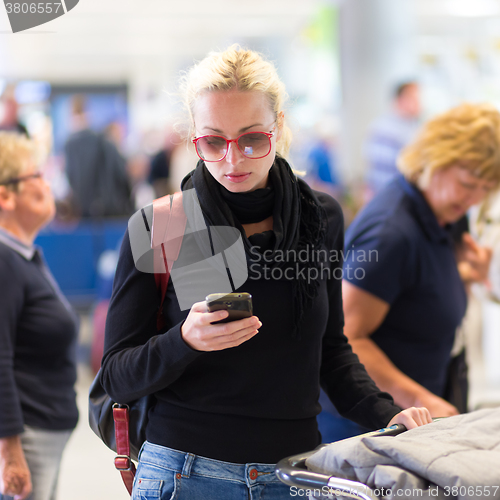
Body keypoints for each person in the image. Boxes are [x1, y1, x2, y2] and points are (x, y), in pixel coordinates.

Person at [99, 46, 431, 500]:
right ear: (193, 137)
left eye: (252, 139)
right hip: (185, 473)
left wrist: (387, 414)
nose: (233, 161)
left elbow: (330, 350)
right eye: (214, 141)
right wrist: (185, 340)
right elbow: (117, 374)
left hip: (294, 473)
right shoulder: (164, 224)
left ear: (279, 129)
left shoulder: (320, 218)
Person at [322, 103, 500, 442]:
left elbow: (412, 288)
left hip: (418, 414)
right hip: (370, 427)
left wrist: (464, 275)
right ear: (435, 160)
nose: (474, 198)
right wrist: (420, 400)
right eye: (468, 183)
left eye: (485, 188)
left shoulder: (444, 213)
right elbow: (348, 337)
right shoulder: (391, 234)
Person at [0, 132, 79, 500]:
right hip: (25, 439)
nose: (46, 184)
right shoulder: (3, 260)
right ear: (5, 194)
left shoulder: (24, 256)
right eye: (36, 176)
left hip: (42, 434)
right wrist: (9, 450)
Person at [64, 95, 133, 218]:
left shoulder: (70, 145)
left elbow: (70, 178)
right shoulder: (103, 141)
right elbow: (121, 175)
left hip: (83, 213)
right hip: (110, 211)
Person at [365, 81, 421, 197]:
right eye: (415, 98)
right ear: (401, 99)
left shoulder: (410, 125)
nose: (419, 103)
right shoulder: (388, 130)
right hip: (392, 196)